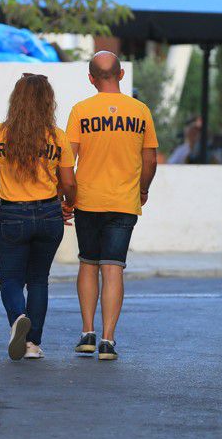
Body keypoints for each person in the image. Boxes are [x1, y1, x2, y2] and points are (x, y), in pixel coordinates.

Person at [0, 74, 76, 361]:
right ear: (48, 101)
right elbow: (69, 182)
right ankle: (33, 345)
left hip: (12, 215)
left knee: (11, 280)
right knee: (39, 280)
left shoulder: (1, 133)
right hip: (50, 214)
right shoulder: (58, 136)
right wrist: (68, 204)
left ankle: (18, 317)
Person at [66, 51, 158, 361]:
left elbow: (68, 160)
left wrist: (65, 195)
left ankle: (87, 333)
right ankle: (108, 340)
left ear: (90, 78)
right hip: (123, 201)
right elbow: (150, 159)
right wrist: (142, 189)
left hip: (87, 200)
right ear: (121, 75)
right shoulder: (140, 111)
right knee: (113, 267)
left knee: (88, 264)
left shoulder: (80, 111)